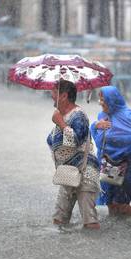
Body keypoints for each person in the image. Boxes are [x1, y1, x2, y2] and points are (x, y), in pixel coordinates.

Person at [47, 80, 101, 230]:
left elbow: (76, 141)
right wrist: (59, 120)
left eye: (53, 92)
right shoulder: (61, 115)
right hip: (68, 173)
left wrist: (61, 123)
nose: (51, 96)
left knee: (90, 221)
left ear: (63, 96)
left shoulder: (79, 116)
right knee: (58, 219)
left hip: (85, 172)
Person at [90, 86, 131, 217]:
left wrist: (119, 142)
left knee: (122, 204)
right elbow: (99, 140)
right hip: (108, 163)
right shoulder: (102, 116)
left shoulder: (128, 115)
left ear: (112, 100)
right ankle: (116, 231)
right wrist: (96, 125)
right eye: (99, 99)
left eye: (103, 100)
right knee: (110, 202)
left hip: (128, 165)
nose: (100, 103)